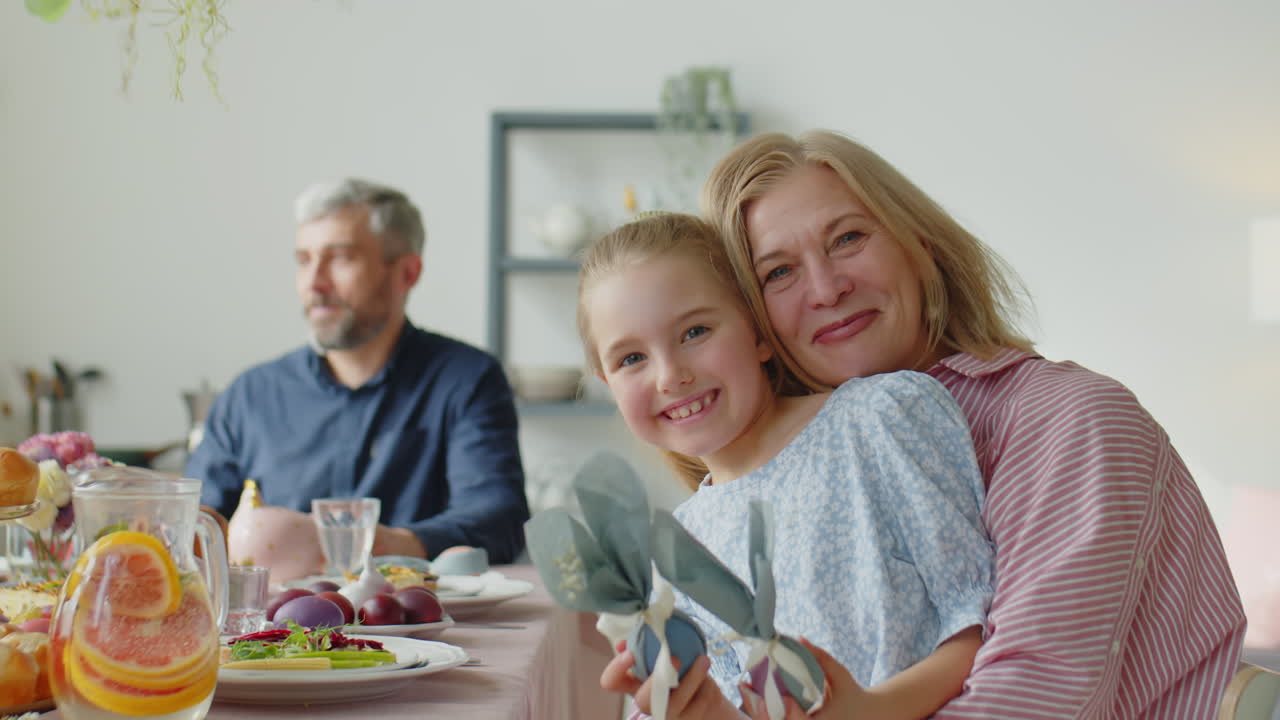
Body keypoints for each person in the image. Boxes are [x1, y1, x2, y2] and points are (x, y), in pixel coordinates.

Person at [675, 130, 1243, 717]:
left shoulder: (1071, 420)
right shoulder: (777, 488)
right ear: (753, 324)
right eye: (778, 273)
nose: (827, 287)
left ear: (916, 241)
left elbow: (1028, 700)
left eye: (848, 238)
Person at [580, 213, 996, 719]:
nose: (671, 376)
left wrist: (867, 711)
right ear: (607, 383)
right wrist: (707, 708)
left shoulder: (879, 420)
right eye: (631, 359)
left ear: (758, 332)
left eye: (695, 331)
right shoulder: (673, 556)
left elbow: (977, 627)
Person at [186, 178, 529, 564]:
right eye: (304, 260)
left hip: (414, 621)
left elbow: (498, 521)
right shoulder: (249, 395)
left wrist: (363, 546)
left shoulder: (467, 380)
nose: (314, 283)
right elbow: (193, 526)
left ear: (407, 273)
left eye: (341, 258)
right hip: (279, 623)